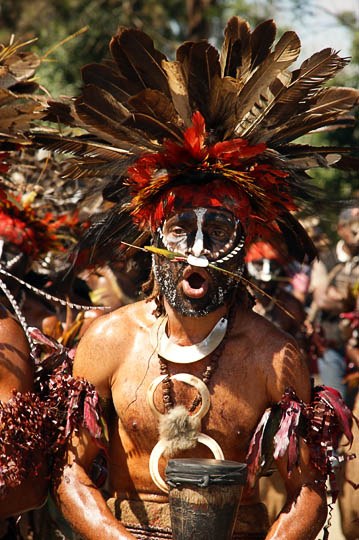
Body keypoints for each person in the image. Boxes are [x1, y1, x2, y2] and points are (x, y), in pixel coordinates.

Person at [38, 16, 359, 540]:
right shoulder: (109, 341)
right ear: (154, 239)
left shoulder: (274, 357)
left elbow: (307, 489)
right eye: (181, 229)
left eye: (218, 230)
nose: (199, 252)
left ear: (243, 242)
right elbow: (69, 468)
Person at [313, 206, 359, 407]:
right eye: (355, 228)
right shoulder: (324, 259)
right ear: (341, 228)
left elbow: (329, 296)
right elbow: (322, 299)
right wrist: (348, 301)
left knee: (349, 404)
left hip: (356, 346)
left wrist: (336, 295)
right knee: (336, 405)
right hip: (331, 344)